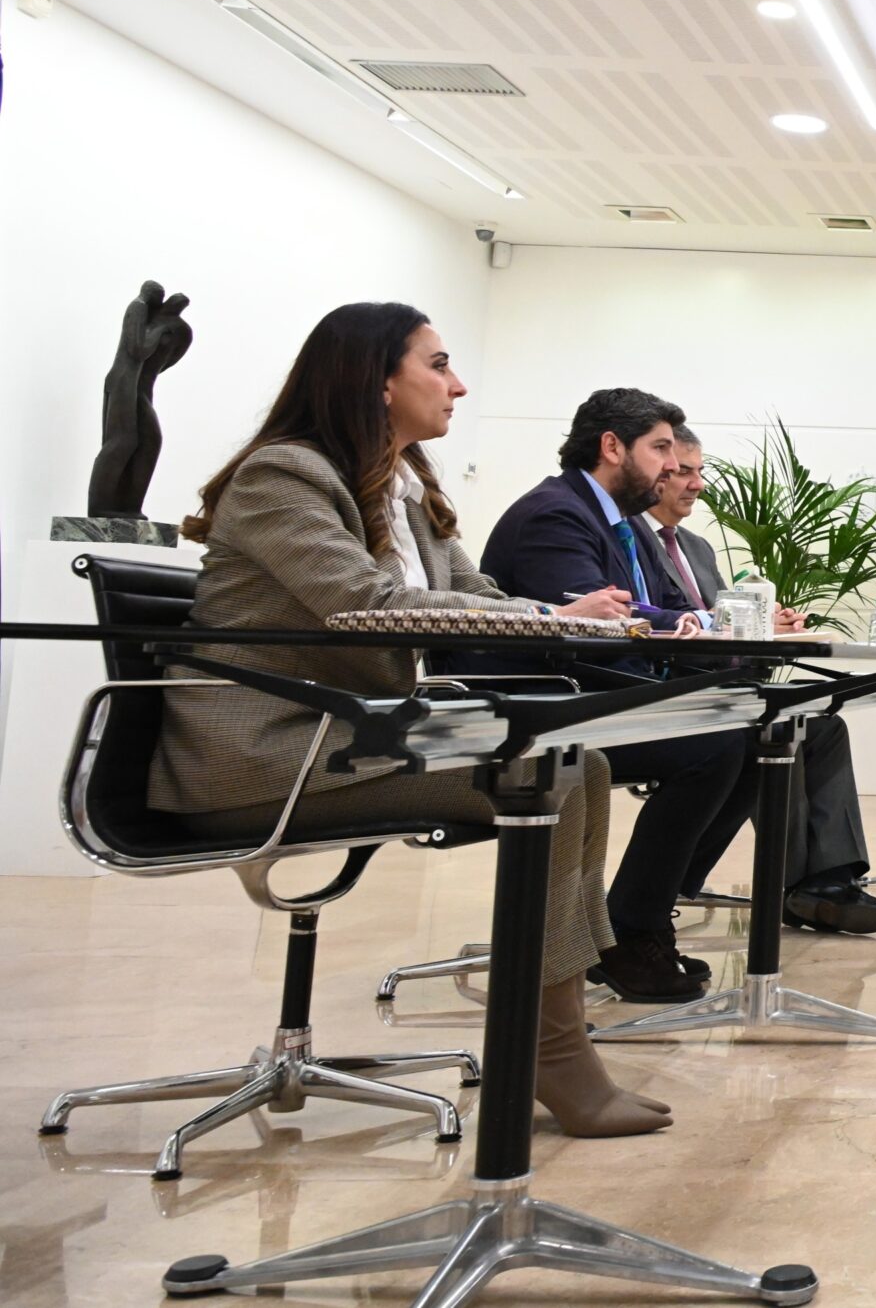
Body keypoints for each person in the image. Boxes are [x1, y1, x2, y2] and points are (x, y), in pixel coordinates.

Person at [155, 303, 668, 1138]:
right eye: (438, 364)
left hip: (341, 737)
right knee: (557, 771)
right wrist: (551, 616)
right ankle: (552, 1049)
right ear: (377, 380)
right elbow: (367, 603)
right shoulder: (282, 477)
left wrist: (562, 615)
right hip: (266, 755)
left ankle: (555, 1038)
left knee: (582, 761)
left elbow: (478, 595)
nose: (457, 384)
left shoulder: (403, 487)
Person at [477, 389, 753, 1005]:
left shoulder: (620, 523)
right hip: (547, 704)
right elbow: (597, 623)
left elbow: (664, 610)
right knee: (714, 746)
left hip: (600, 690)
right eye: (660, 449)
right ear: (611, 447)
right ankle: (631, 928)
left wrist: (715, 623)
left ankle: (642, 913)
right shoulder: (556, 514)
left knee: (758, 731)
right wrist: (700, 625)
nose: (671, 467)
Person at [642, 429, 876, 936]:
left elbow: (725, 625)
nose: (697, 484)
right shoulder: (631, 539)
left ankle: (829, 878)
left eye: (700, 472)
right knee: (770, 730)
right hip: (672, 691)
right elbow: (653, 624)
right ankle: (790, 888)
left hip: (725, 686)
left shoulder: (696, 548)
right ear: (656, 473)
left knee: (821, 727)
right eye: (684, 472)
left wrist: (768, 626)